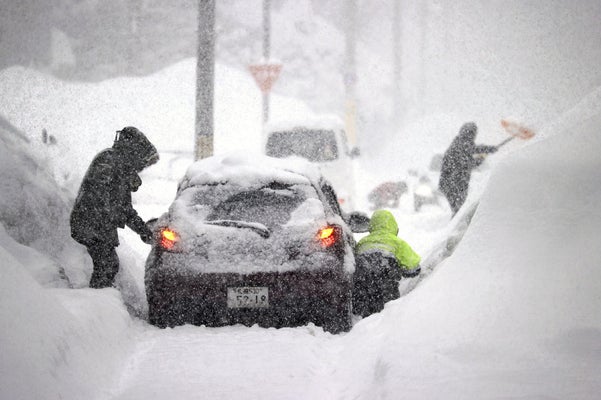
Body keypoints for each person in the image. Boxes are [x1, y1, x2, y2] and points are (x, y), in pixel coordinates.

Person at [70, 126, 159, 288]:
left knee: (108, 265)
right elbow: (113, 204)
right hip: (92, 224)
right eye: (143, 162)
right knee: (107, 265)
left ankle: (100, 300)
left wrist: (143, 231)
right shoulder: (111, 162)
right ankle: (97, 302)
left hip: (96, 224)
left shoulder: (116, 162)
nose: (142, 168)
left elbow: (123, 207)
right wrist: (142, 230)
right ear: (134, 152)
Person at [438, 122, 498, 216]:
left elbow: (473, 150)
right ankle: (458, 229)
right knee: (459, 211)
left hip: (451, 183)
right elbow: (468, 163)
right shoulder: (461, 144)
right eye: (472, 133)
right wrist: (483, 155)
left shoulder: (460, 142)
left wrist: (488, 149)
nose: (473, 135)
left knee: (458, 211)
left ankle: (457, 227)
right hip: (453, 184)